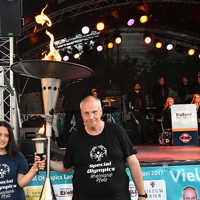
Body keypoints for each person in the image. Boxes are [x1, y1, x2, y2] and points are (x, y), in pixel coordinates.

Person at [50, 96, 147, 200]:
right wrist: (47, 162)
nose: (91, 117)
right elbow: (66, 167)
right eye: (86, 113)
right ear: (81, 114)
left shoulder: (117, 131)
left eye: (94, 112)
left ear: (101, 111)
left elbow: (133, 162)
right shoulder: (75, 137)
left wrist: (142, 195)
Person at [0, 121, 46, 199]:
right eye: (0, 135)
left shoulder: (17, 156)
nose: (3, 138)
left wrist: (35, 168)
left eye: (6, 136)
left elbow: (21, 183)